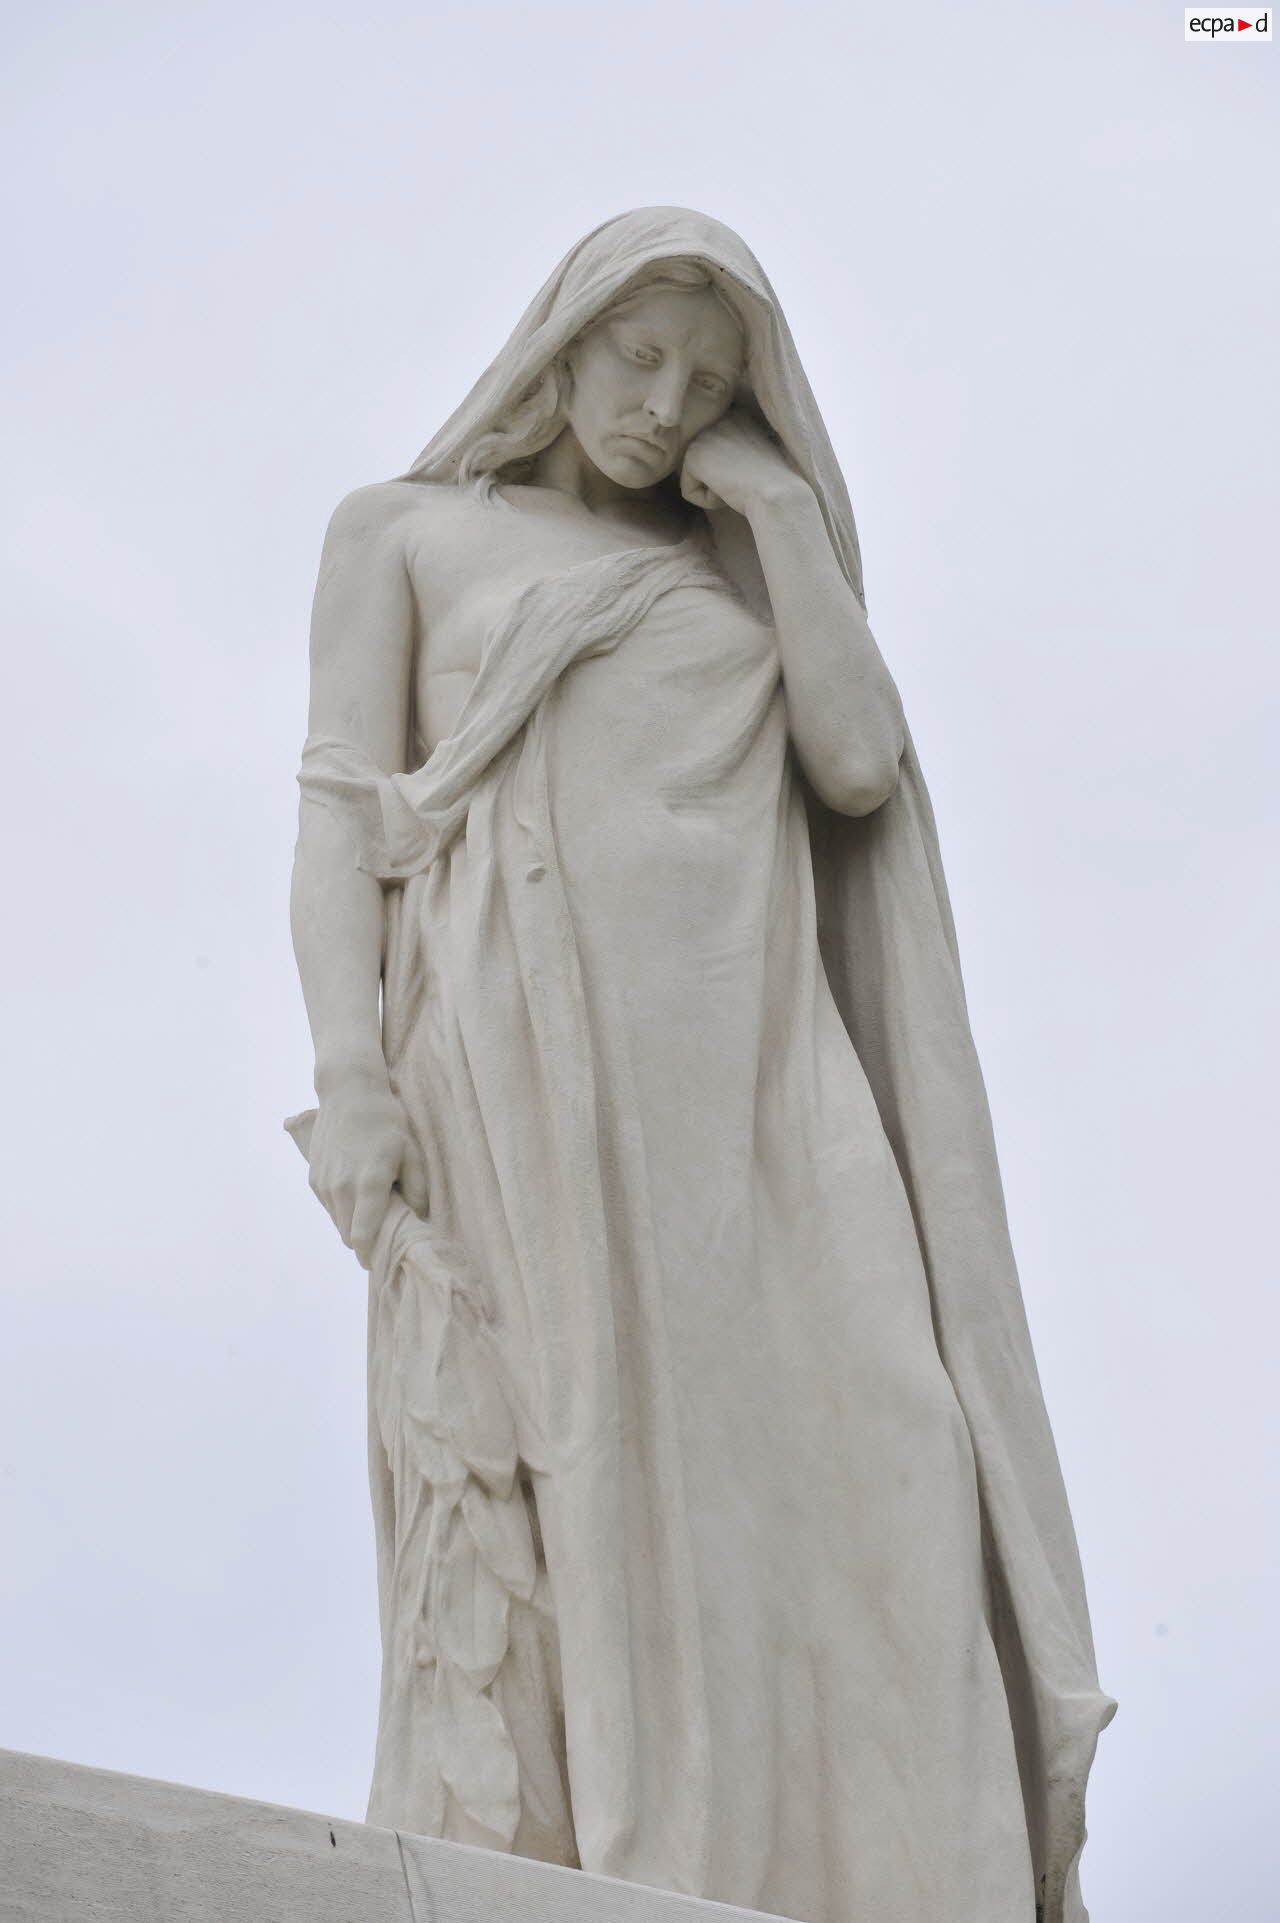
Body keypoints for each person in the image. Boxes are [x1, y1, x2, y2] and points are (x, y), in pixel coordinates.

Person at [288, 206, 1113, 1923]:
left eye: (711, 384)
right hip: (533, 1068)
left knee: (897, 1450)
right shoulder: (407, 532)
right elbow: (339, 828)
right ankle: (633, 1867)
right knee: (589, 1475)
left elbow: (863, 765)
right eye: (642, 358)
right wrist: (352, 1073)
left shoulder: (744, 568)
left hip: (767, 1079)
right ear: (567, 337)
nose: (664, 408)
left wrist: (788, 516)